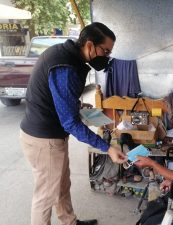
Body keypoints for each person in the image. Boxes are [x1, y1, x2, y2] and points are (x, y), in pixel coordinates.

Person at [20, 22, 127, 225]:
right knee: (45, 196)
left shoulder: (65, 53)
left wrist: (76, 104)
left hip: (47, 134)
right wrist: (107, 148)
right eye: (105, 51)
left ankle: (69, 222)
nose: (106, 57)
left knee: (61, 185)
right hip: (44, 139)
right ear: (89, 45)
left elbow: (57, 95)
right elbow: (70, 122)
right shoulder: (66, 66)